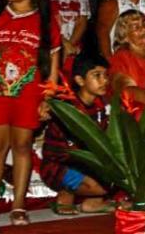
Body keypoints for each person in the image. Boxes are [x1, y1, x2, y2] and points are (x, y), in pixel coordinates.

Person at [0, 0, 61, 225]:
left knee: (22, 146)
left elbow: (52, 67)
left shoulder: (45, 23)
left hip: (28, 94)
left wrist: (48, 98)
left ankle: (19, 205)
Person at [40, 54, 114, 215]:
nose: (104, 81)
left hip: (87, 164)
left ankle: (94, 202)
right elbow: (70, 150)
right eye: (97, 76)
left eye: (106, 75)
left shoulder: (101, 107)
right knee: (100, 184)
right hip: (60, 166)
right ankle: (66, 193)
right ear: (80, 80)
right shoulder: (68, 107)